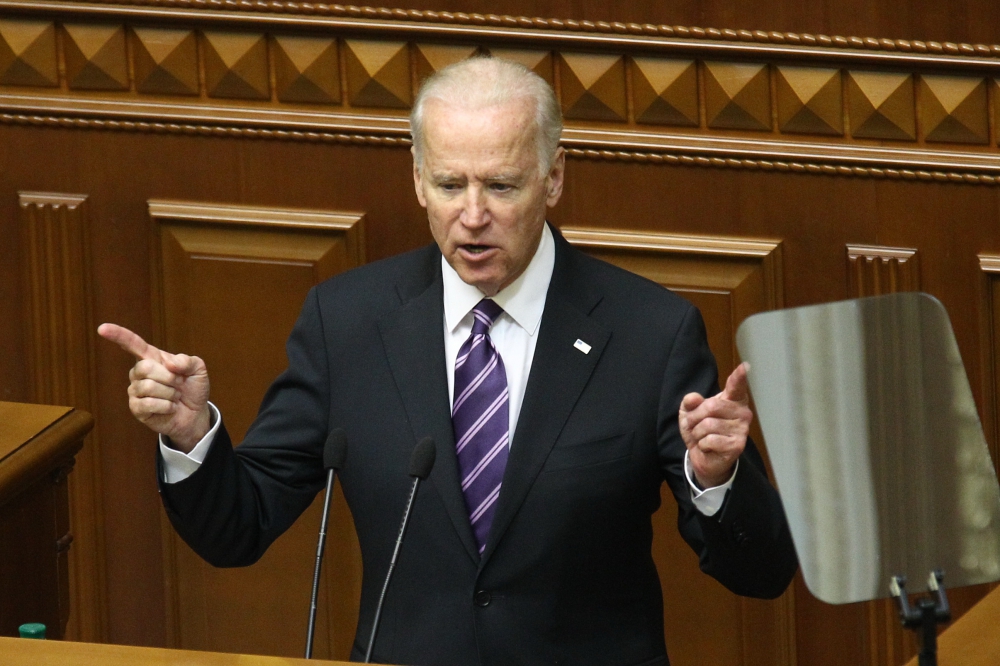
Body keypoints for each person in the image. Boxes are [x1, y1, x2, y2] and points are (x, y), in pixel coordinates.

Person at [99, 56, 796, 665]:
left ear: (553, 178)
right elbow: (239, 527)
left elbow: (761, 573)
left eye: (501, 186)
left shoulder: (650, 334)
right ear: (416, 180)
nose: (472, 215)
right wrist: (192, 437)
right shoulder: (348, 322)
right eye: (449, 184)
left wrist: (717, 481)